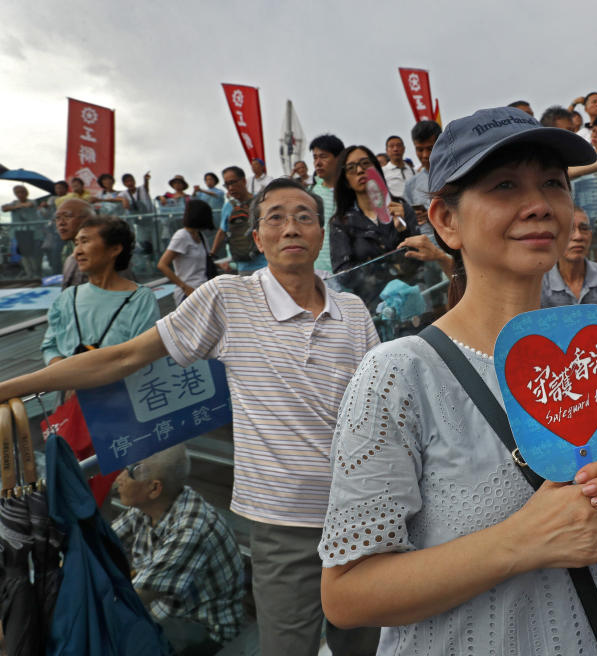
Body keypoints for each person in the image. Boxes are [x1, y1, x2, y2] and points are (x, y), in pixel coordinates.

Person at [320, 105, 597, 656]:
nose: (539, 206)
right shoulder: (399, 374)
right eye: (504, 185)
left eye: (552, 184)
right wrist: (520, 542)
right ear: (445, 221)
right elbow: (346, 596)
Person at [0, 177, 382, 656]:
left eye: (304, 216)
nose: (291, 228)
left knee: (363, 644)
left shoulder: (352, 311)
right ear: (258, 237)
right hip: (283, 524)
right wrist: (12, 387)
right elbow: (122, 358)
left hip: (361, 515)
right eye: (276, 217)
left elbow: (378, 411)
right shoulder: (228, 298)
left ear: (320, 235)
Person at [112, 445, 245, 655]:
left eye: (131, 473)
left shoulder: (190, 530)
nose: (119, 478)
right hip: (168, 611)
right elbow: (106, 542)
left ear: (154, 488)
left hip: (204, 629)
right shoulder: (150, 506)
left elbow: (134, 599)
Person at [41, 216, 159, 364]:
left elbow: (140, 354)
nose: (77, 251)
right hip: (66, 385)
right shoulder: (68, 296)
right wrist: (66, 378)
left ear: (115, 249)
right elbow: (50, 346)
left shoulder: (139, 298)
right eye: (76, 243)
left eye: (85, 242)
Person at [328, 145, 417, 274]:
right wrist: (387, 272)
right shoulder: (341, 222)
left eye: (365, 163)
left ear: (376, 169)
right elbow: (343, 273)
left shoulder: (400, 208)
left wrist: (403, 230)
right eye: (351, 168)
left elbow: (421, 254)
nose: (359, 170)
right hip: (372, 294)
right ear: (346, 181)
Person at [541, 206, 597, 315]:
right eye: (569, 229)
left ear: (591, 235)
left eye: (584, 228)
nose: (578, 236)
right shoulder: (539, 283)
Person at [210, 166, 267, 274]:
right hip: (243, 266)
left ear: (244, 181)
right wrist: (211, 255)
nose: (230, 188)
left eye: (233, 182)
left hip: (266, 264)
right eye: (227, 184)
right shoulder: (228, 207)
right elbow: (221, 233)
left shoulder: (261, 202)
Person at [158, 200, 216, 304]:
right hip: (189, 293)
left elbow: (204, 261)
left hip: (204, 290)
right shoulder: (181, 236)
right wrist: (184, 287)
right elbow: (162, 265)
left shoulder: (200, 236)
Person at [309, 134, 346, 273]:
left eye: (323, 156)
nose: (317, 163)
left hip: (349, 272)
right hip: (317, 271)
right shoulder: (310, 195)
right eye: (315, 157)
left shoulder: (352, 192)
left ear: (339, 158)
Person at [2, 184, 43, 278]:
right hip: (19, 234)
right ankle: (29, 273)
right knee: (24, 254)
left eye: (22, 192)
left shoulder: (32, 201)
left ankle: (37, 273)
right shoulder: (14, 203)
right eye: (17, 193)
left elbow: (30, 205)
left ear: (26, 193)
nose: (20, 194)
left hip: (33, 234)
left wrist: (18, 206)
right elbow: (4, 208)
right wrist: (16, 207)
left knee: (34, 254)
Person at [403, 120, 442, 210]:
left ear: (440, 144)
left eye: (430, 148)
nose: (425, 155)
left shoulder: (457, 175)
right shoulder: (410, 185)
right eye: (420, 150)